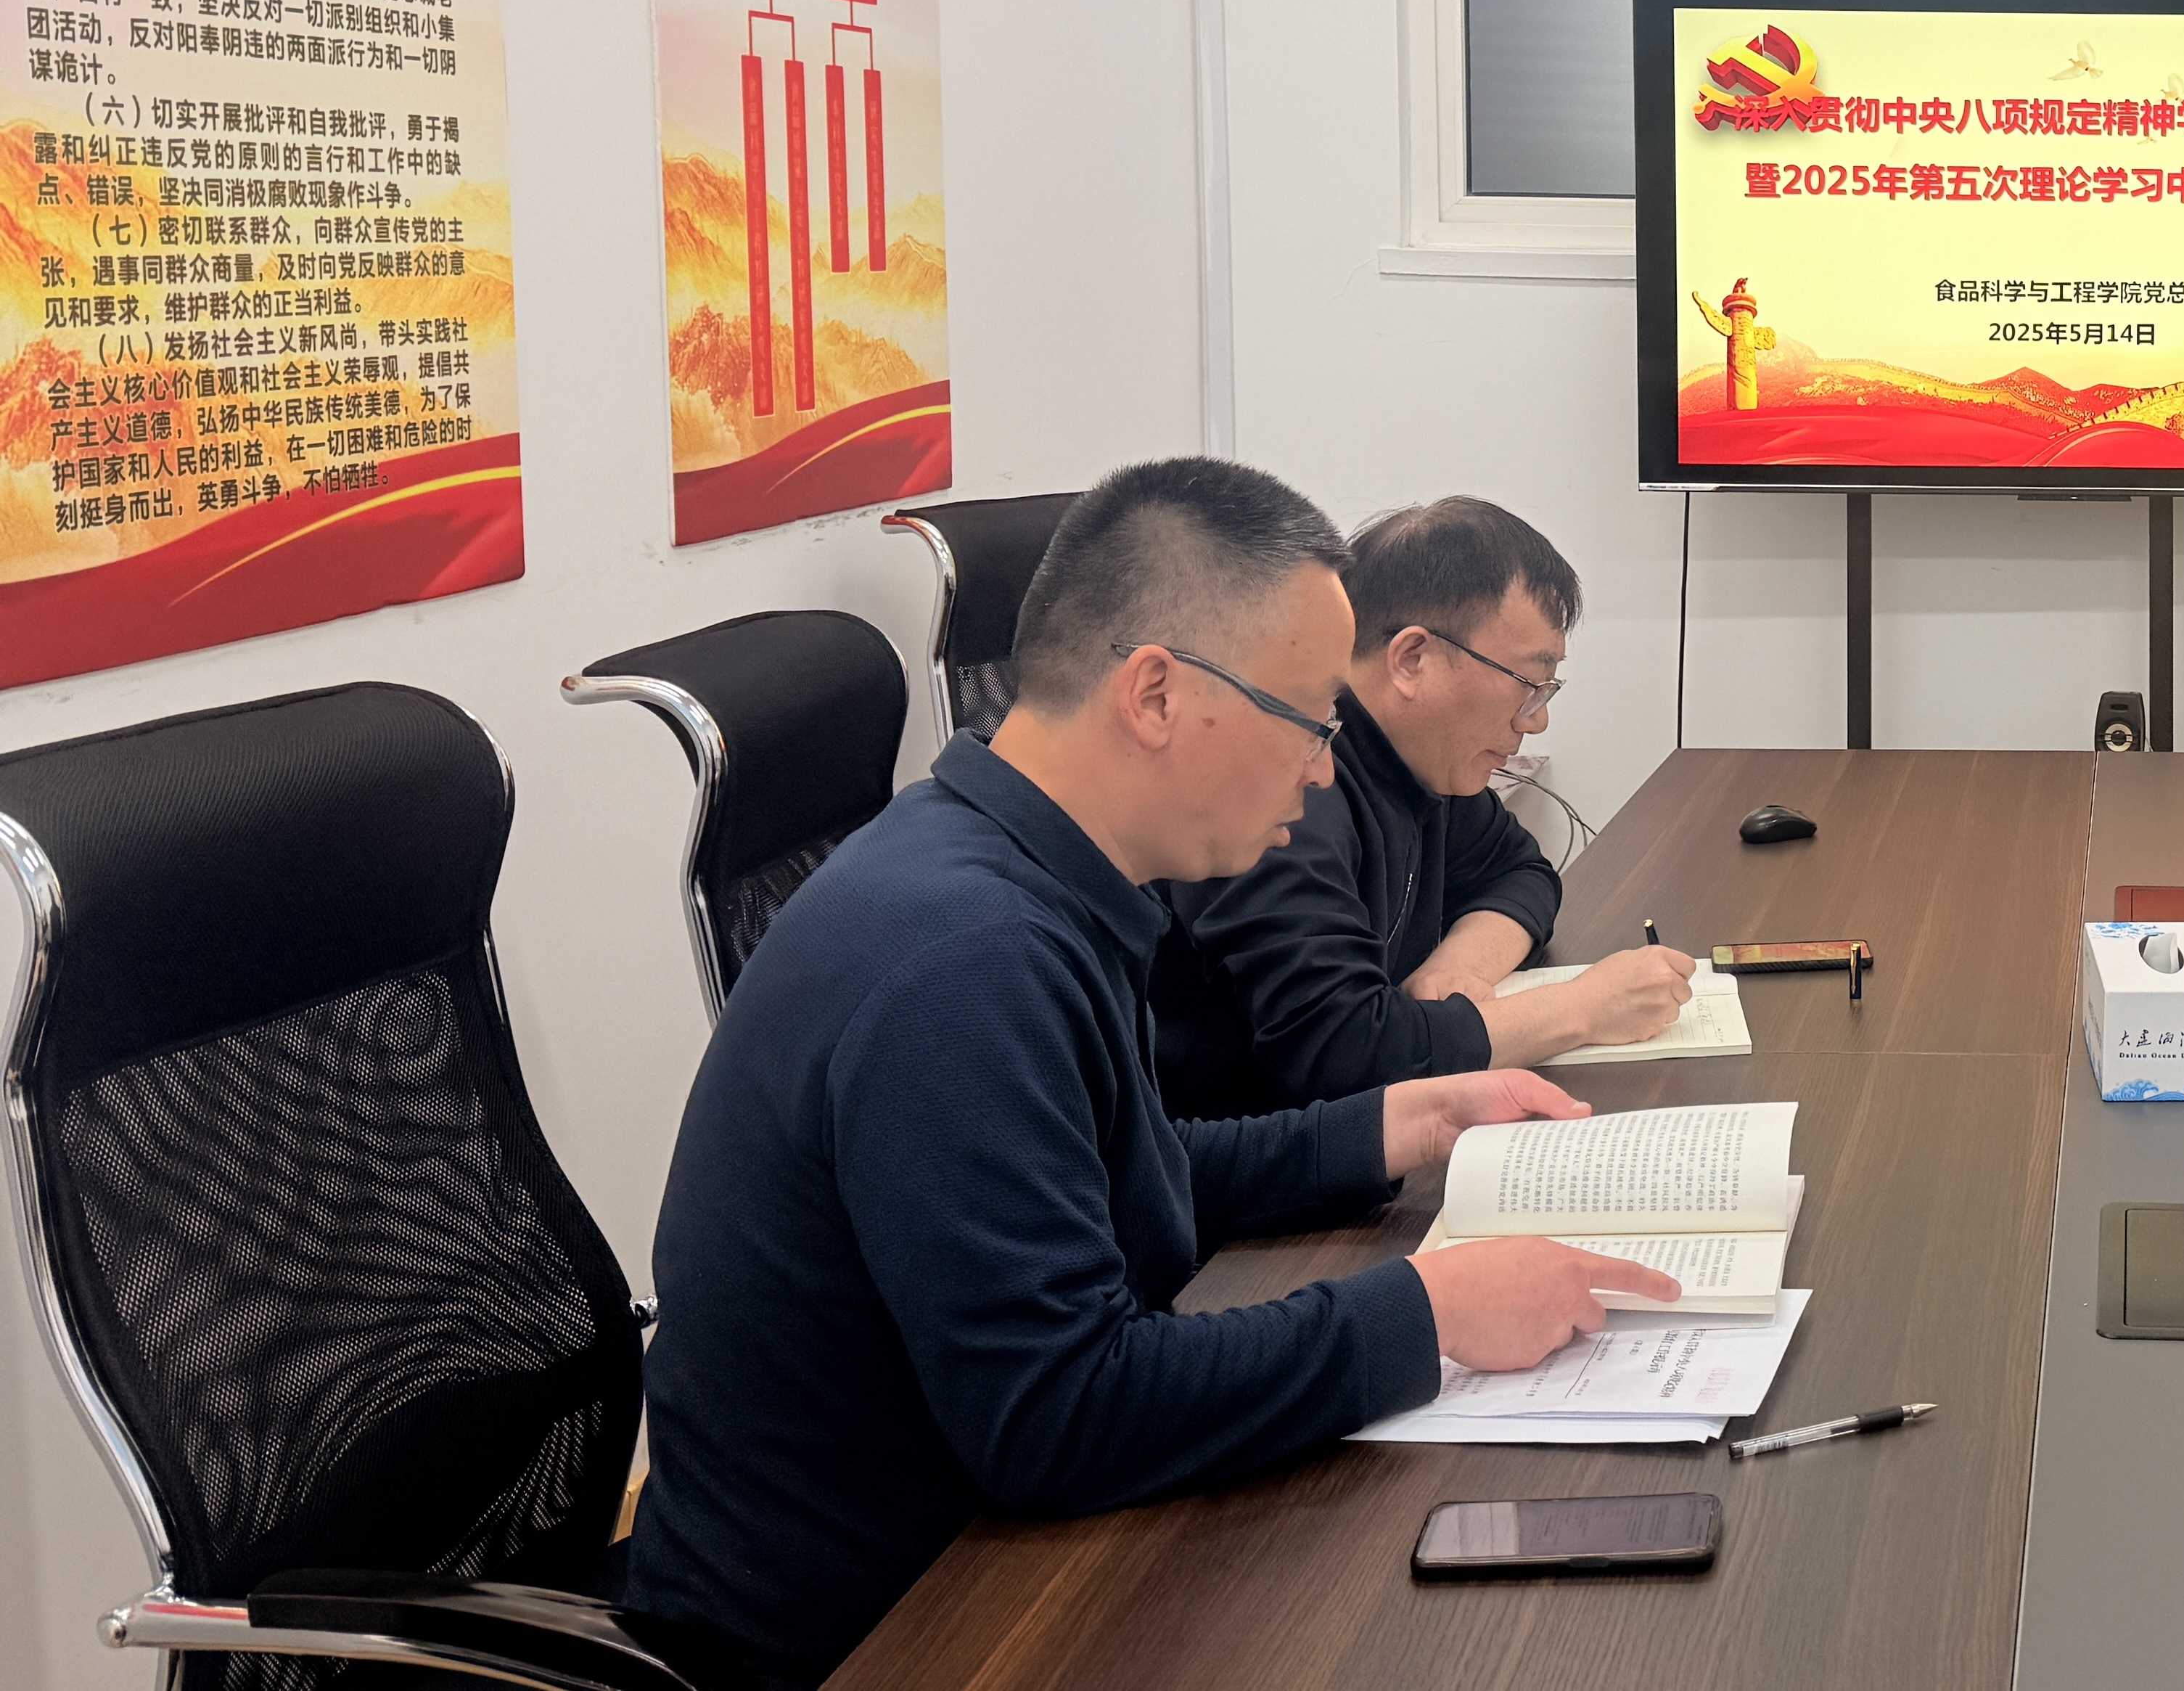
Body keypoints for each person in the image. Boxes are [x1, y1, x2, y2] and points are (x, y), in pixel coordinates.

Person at [627, 459, 1682, 1687]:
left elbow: (1119, 1164)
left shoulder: (1014, 863)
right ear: (1157, 693)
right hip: (878, 1629)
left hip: (974, 1536)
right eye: (1309, 719)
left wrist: (1401, 1119)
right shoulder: (964, 959)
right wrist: (1429, 1309)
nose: (1324, 769)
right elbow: (1063, 1415)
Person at [1148, 495, 1696, 1117]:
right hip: (1241, 1159)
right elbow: (1344, 1055)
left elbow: (1521, 871)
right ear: (1413, 658)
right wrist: (1582, 1008)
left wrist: (1459, 965)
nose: (1537, 720)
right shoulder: (1288, 791)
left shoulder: (1420, 760)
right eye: (1528, 684)